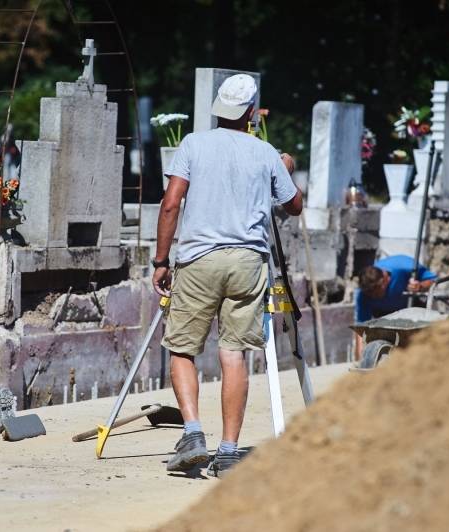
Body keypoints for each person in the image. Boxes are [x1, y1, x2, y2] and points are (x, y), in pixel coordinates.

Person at [151, 73, 302, 478]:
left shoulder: (192, 144)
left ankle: (193, 433)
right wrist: (286, 167)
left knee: (182, 347)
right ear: (251, 112)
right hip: (248, 262)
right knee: (233, 352)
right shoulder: (266, 152)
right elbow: (294, 206)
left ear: (220, 107)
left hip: (199, 259)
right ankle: (230, 451)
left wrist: (161, 260)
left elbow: (170, 204)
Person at [354, 255, 436, 356]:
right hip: (383, 315)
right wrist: (361, 362)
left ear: (384, 280)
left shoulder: (403, 267)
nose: (373, 298)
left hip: (411, 308)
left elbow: (433, 280)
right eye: (370, 295)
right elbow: (361, 331)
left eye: (376, 293)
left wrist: (421, 286)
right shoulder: (362, 295)